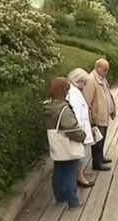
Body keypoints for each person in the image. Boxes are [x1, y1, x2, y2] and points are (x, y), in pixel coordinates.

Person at [43, 77, 86, 208]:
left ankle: (60, 198)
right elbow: (71, 128)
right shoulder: (63, 109)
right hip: (67, 146)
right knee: (70, 172)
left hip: (57, 145)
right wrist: (82, 135)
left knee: (59, 171)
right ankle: (73, 201)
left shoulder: (47, 106)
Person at [82, 59, 116, 171]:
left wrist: (112, 109)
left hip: (104, 114)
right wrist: (90, 117)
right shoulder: (91, 80)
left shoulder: (102, 79)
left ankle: (101, 158)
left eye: (107, 70)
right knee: (97, 140)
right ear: (97, 68)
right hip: (96, 117)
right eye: (105, 70)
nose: (106, 72)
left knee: (103, 138)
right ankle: (96, 163)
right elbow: (87, 100)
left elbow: (107, 95)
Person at [67, 68, 95, 187]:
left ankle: (80, 174)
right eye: (83, 82)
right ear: (78, 80)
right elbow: (76, 112)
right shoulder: (73, 93)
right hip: (80, 129)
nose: (84, 85)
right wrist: (80, 131)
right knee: (82, 154)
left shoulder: (74, 91)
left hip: (82, 128)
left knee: (83, 154)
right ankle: (80, 177)